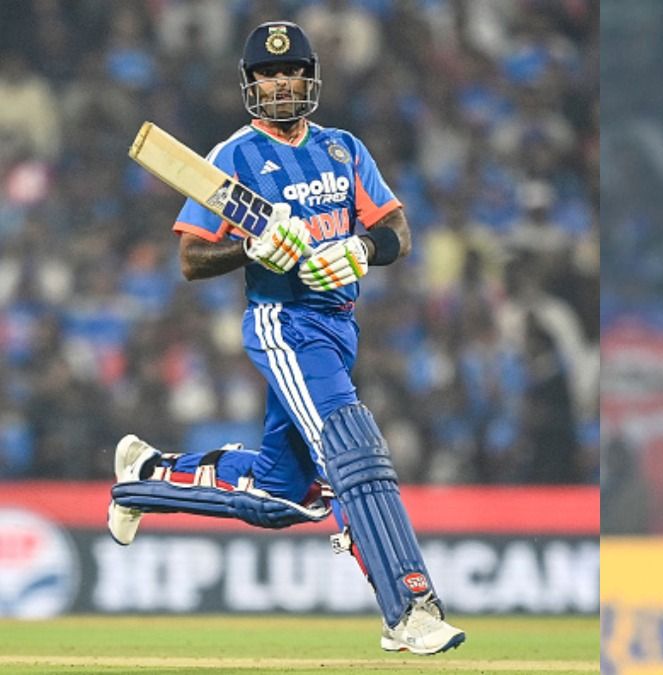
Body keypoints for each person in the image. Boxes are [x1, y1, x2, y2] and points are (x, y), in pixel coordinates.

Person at [105, 21, 465, 656]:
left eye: (291, 71)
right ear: (251, 84)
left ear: (310, 79)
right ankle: (408, 608)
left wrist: (362, 248)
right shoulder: (233, 157)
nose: (279, 83)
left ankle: (147, 474)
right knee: (350, 448)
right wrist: (252, 248)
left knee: (284, 496)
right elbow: (191, 259)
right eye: (267, 74)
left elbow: (399, 232)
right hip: (284, 322)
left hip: (339, 325)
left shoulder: (344, 149)